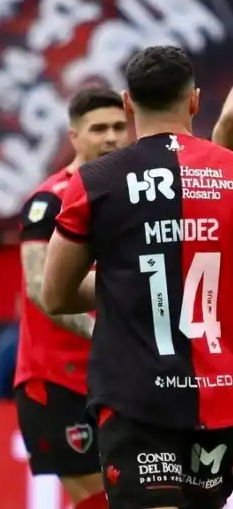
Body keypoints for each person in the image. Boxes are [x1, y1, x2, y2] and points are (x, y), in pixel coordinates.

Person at [42, 45, 233, 509]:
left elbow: (54, 295)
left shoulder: (96, 181)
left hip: (136, 398)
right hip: (221, 397)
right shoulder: (231, 174)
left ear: (127, 103)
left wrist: (123, 281)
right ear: (193, 101)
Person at [14, 87, 129, 509]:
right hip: (58, 380)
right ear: (74, 136)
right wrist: (109, 334)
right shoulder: (49, 202)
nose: (111, 137)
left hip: (122, 381)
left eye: (119, 127)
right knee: (100, 499)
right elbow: (39, 285)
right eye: (98, 128)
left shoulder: (137, 197)